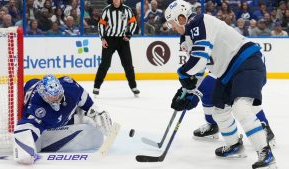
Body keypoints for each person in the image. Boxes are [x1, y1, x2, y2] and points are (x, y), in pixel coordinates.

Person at [166, 1, 276, 168]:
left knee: (241, 107)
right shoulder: (188, 36)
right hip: (227, 72)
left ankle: (266, 153)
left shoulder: (198, 22)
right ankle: (235, 146)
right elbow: (198, 69)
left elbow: (199, 59)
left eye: (172, 23)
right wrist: (186, 91)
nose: (172, 27)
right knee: (220, 111)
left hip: (246, 61)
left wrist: (182, 74)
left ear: (181, 18)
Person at [14, 75, 113, 164]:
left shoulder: (71, 87)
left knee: (91, 116)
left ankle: (82, 117)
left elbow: (85, 99)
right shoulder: (36, 108)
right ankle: (79, 118)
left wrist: (95, 112)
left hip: (59, 115)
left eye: (59, 95)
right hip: (35, 97)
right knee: (35, 144)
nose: (57, 99)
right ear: (44, 96)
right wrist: (25, 148)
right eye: (52, 97)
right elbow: (25, 127)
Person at [93, 0, 139, 97]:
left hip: (123, 40)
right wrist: (102, 38)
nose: (116, 0)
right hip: (110, 40)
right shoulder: (107, 10)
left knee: (128, 64)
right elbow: (101, 24)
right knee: (105, 64)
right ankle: (96, 86)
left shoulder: (127, 10)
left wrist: (129, 34)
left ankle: (133, 86)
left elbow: (133, 22)